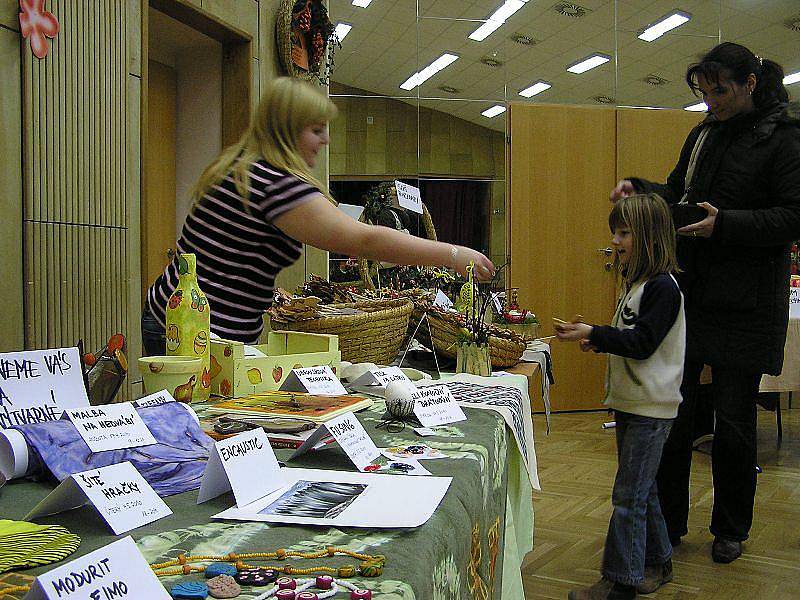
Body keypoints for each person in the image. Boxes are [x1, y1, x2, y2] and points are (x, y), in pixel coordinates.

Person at [609, 42, 800, 563]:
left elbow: (792, 216)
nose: (710, 101)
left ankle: (731, 528)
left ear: (750, 84)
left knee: (735, 424)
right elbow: (678, 197)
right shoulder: (702, 134)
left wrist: (727, 224)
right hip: (691, 295)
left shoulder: (786, 138)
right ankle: (669, 525)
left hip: (749, 304)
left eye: (720, 91)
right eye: (703, 91)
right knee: (674, 418)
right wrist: (640, 188)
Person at [142, 77, 494, 355]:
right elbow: (364, 239)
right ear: (285, 129)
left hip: (181, 321)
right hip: (193, 334)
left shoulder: (243, 168)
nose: (325, 140)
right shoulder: (276, 182)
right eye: (315, 129)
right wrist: (452, 254)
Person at [559, 194, 684, 600]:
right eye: (616, 231)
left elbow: (644, 343)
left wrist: (595, 334)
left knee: (627, 496)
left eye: (625, 232)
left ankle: (620, 582)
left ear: (648, 236)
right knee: (641, 490)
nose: (616, 240)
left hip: (651, 409)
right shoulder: (637, 285)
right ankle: (658, 560)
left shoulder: (664, 288)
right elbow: (631, 339)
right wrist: (598, 340)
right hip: (632, 404)